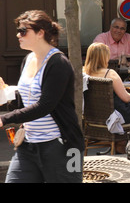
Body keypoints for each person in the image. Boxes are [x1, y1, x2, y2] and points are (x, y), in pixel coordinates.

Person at [0, 10, 84, 183]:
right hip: (28, 145)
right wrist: (6, 93)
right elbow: (24, 102)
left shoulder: (58, 63)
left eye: (23, 31)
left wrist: (4, 119)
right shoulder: (28, 59)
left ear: (40, 33)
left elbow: (45, 105)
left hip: (62, 146)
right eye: (18, 30)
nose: (18, 35)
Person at [83, 42, 130, 124]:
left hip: (93, 115)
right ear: (104, 57)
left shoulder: (83, 73)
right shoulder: (109, 73)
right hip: (117, 115)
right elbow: (126, 98)